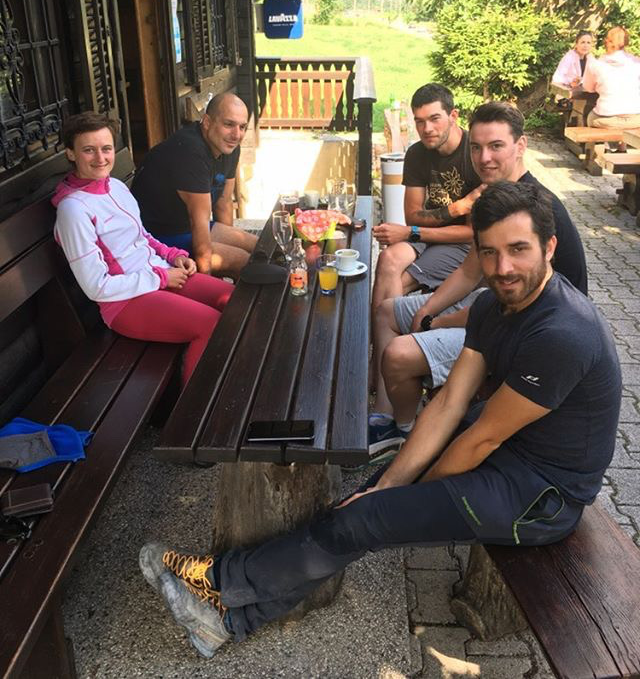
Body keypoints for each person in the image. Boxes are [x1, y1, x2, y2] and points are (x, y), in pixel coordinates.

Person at [138, 181, 621, 659]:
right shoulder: (494, 304)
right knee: (365, 499)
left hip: (541, 496)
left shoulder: (563, 333)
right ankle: (227, 620)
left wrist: (406, 494)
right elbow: (450, 402)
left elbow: (481, 440)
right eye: (489, 252)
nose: (503, 267)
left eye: (518, 250)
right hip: (503, 450)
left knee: (365, 516)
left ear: (549, 247)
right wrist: (389, 485)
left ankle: (218, 579)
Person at [369, 102, 588, 460]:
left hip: (531, 331)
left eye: (496, 146)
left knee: (400, 354)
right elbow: (470, 273)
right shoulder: (498, 196)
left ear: (521, 146)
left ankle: (404, 433)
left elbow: (507, 308)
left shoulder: (534, 206)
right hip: (498, 309)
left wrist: (435, 322)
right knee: (387, 311)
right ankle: (385, 412)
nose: (484, 158)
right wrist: (428, 308)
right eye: (476, 147)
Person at [53, 113, 234, 388]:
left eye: (106, 148)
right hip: (125, 302)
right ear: (70, 153)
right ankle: (195, 407)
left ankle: (230, 379)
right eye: (88, 150)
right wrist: (161, 278)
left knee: (232, 299)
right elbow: (96, 287)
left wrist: (173, 255)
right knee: (210, 324)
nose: (100, 158)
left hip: (158, 275)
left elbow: (142, 235)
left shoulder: (115, 186)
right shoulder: (73, 210)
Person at [371, 83, 482, 312]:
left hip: (462, 244)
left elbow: (472, 233)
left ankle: (387, 331)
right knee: (388, 259)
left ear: (453, 116)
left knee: (400, 283)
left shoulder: (474, 154)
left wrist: (411, 232)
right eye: (419, 121)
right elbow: (413, 216)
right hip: (426, 234)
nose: (427, 129)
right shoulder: (416, 153)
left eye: (434, 119)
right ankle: (379, 331)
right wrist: (457, 208)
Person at [132, 92, 257, 279]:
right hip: (157, 237)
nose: (236, 134)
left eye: (242, 127)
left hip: (185, 227)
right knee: (243, 261)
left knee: (258, 247)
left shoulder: (229, 147)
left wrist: (226, 248)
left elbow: (223, 203)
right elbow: (199, 226)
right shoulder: (190, 153)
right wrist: (209, 282)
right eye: (228, 124)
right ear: (207, 122)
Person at [582, 26, 640, 131]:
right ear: (626, 42)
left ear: (606, 41)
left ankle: (597, 141)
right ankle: (622, 144)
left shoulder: (596, 64)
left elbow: (588, 88)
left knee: (589, 115)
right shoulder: (636, 62)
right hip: (636, 119)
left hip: (607, 119)